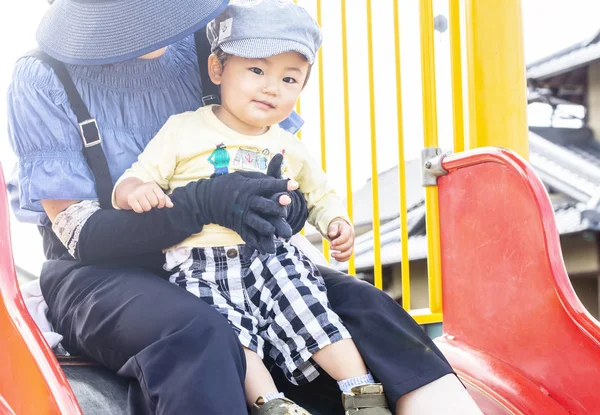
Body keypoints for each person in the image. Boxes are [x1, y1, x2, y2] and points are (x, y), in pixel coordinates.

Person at [6, 0, 482, 413]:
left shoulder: (208, 45)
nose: (149, 24)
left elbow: (277, 157)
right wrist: (199, 205)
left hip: (243, 254)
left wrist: (286, 205)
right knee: (198, 332)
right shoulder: (43, 75)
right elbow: (79, 234)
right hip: (101, 271)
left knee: (366, 306)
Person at [112, 2, 391, 414]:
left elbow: (320, 194)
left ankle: (362, 392)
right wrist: (135, 190)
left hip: (271, 254)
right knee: (228, 333)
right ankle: (271, 403)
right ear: (217, 69)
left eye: (290, 78)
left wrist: (336, 222)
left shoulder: (288, 145)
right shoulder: (184, 129)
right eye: (257, 70)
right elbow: (135, 177)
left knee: (307, 308)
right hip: (197, 262)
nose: (272, 87)